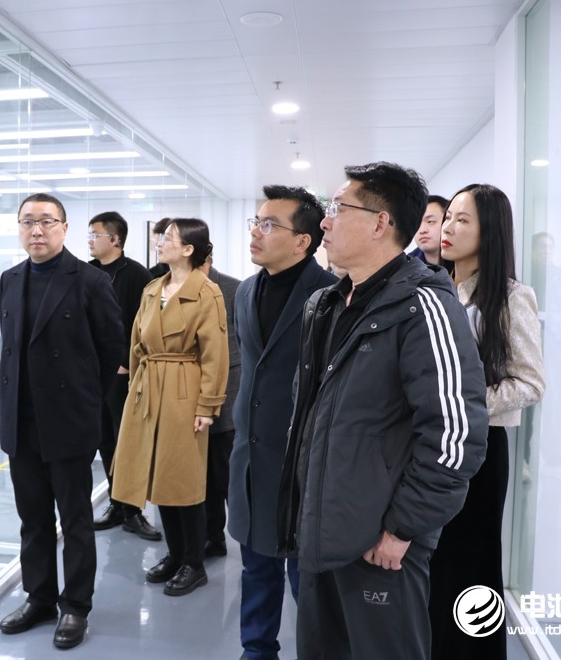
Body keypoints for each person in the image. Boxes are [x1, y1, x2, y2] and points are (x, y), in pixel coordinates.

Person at [276, 162, 489, 660]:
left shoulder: (423, 305)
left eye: (337, 208)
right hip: (321, 529)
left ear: (380, 223)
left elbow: (455, 434)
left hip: (381, 543)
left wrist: (403, 529)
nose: (324, 221)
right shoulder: (326, 305)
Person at [0, 193, 124, 650]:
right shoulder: (10, 279)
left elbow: (112, 350)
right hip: (21, 423)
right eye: (28, 221)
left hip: (68, 422)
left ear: (64, 228)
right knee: (32, 519)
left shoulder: (89, 280)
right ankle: (40, 598)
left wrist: (84, 401)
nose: (36, 230)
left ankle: (76, 606)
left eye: (46, 221)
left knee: (75, 522)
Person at [430, 184, 545, 659]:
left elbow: (530, 382)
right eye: (448, 218)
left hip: (480, 449)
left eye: (462, 220)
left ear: (489, 231)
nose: (448, 228)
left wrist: (463, 405)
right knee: (432, 567)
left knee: (473, 569)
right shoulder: (434, 290)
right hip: (430, 448)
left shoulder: (511, 297)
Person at [229, 184, 337, 660]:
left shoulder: (331, 295)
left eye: (269, 224)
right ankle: (256, 651)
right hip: (252, 455)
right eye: (256, 221)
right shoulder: (245, 290)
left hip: (303, 461)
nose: (256, 231)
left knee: (306, 578)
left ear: (302, 241)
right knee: (256, 567)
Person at [112, 218, 229, 597]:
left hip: (184, 391)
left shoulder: (207, 292)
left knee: (184, 480)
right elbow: (136, 343)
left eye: (168, 238)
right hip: (148, 390)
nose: (160, 243)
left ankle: (194, 562)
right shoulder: (152, 288)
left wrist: (207, 406)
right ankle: (175, 554)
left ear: (189, 249)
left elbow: (215, 355)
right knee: (158, 477)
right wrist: (135, 389)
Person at [87, 211, 161, 542]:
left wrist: (125, 363)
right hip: (92, 374)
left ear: (115, 240)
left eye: (96, 234)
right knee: (103, 438)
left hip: (123, 373)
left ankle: (133, 510)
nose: (90, 240)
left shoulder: (136, 274)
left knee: (126, 441)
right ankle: (117, 504)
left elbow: (144, 323)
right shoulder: (86, 272)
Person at [199, 253, 241, 559]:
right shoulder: (173, 289)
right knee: (203, 480)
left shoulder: (233, 289)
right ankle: (212, 538)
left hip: (228, 394)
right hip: (192, 395)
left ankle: (247, 541)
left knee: (227, 475)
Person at [411, 194, 448, 265]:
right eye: (417, 224)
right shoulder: (407, 266)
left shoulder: (468, 259)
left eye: (430, 221)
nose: (422, 230)